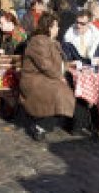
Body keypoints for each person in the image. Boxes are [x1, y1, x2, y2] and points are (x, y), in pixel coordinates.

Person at [19, 12, 76, 141]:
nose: (58, 28)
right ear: (49, 27)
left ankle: (69, 121)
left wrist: (68, 66)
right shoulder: (39, 41)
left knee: (70, 85)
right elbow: (45, 64)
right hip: (34, 79)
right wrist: (59, 76)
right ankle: (41, 125)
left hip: (45, 77)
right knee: (61, 91)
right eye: (56, 26)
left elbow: (56, 62)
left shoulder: (51, 41)